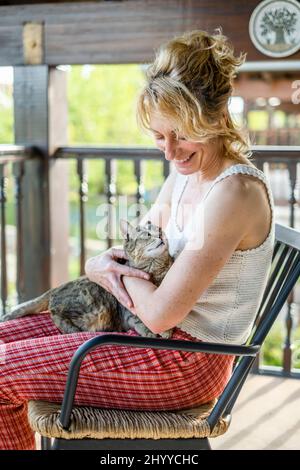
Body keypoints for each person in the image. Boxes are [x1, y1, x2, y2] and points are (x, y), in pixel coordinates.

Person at [0, 29, 274, 450]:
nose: (169, 151)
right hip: (143, 332)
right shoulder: (185, 176)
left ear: (217, 118)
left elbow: (162, 313)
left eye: (182, 134)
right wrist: (104, 268)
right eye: (159, 136)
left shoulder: (233, 193)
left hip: (186, 362)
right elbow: (133, 255)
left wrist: (112, 272)